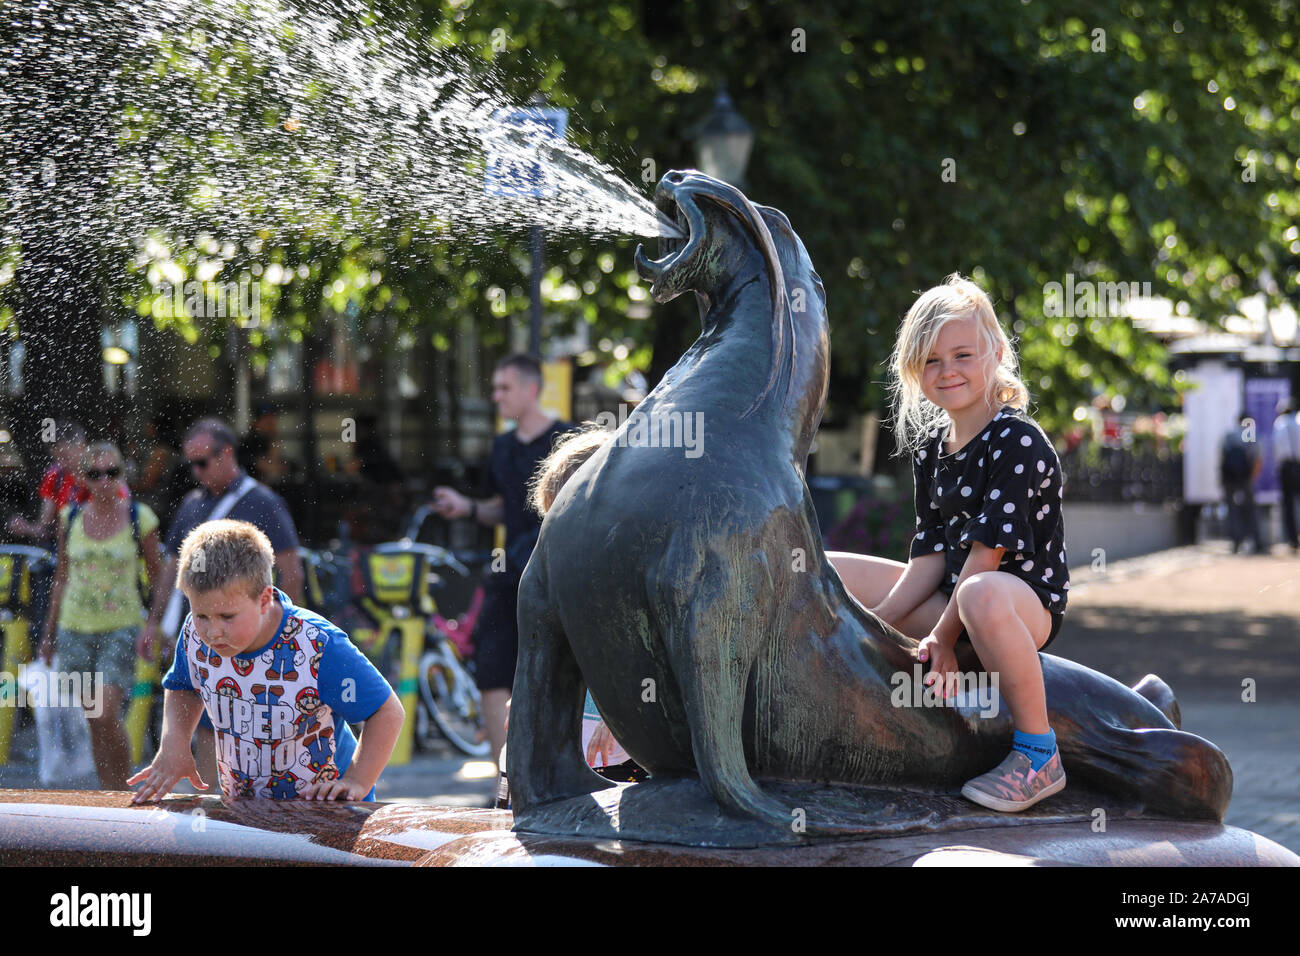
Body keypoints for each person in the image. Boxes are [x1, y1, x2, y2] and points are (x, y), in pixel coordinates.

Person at [826, 274, 1069, 812]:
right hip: (958, 593)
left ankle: (1038, 754)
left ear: (998, 352)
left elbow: (987, 557)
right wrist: (880, 621)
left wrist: (938, 636)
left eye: (962, 354)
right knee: (827, 570)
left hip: (1018, 605)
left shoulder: (1018, 440)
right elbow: (932, 550)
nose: (947, 371)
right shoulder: (934, 446)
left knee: (983, 589)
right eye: (931, 361)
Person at [128, 520, 403, 801]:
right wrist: (174, 744)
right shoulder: (194, 635)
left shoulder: (316, 645)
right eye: (202, 616)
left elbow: (386, 711)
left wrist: (358, 781)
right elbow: (184, 686)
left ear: (263, 600)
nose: (213, 632)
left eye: (227, 617)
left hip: (327, 812)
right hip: (247, 809)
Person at [138, 417, 304, 781]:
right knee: (205, 722)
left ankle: (236, 811)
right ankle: (214, 809)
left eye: (202, 463)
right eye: (190, 464)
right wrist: (156, 622)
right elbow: (170, 570)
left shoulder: (265, 503)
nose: (196, 472)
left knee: (247, 726)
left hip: (253, 637)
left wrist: (290, 633)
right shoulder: (191, 504)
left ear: (226, 453)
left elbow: (291, 572)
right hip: (203, 630)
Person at [432, 354, 577, 769]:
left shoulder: (566, 440)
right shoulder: (501, 447)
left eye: (504, 388)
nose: (496, 397)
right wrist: (466, 508)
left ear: (532, 389)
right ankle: (505, 778)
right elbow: (502, 508)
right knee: (493, 671)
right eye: (494, 388)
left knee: (557, 672)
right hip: (509, 573)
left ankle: (557, 772)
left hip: (556, 575)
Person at [37, 442, 164, 790]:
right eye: (96, 474)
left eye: (112, 472)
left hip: (120, 627)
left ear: (124, 474)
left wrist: (154, 623)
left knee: (106, 712)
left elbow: (159, 575)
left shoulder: (141, 516)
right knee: (94, 719)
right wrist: (47, 634)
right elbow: (61, 577)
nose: (105, 481)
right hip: (74, 628)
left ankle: (123, 790)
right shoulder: (71, 517)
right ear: (84, 479)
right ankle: (108, 794)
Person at [1220, 414, 1263, 554]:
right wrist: (1251, 478)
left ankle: (1235, 542)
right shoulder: (1250, 436)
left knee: (1232, 510)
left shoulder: (1229, 435)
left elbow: (1222, 456)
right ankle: (1256, 541)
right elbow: (1257, 458)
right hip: (1245, 478)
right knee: (1250, 509)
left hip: (1230, 479)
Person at [1271, 398, 1300, 554]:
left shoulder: (1280, 423)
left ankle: (1293, 540)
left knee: (1288, 506)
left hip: (1287, 467)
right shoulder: (1298, 421)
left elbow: (1277, 448)